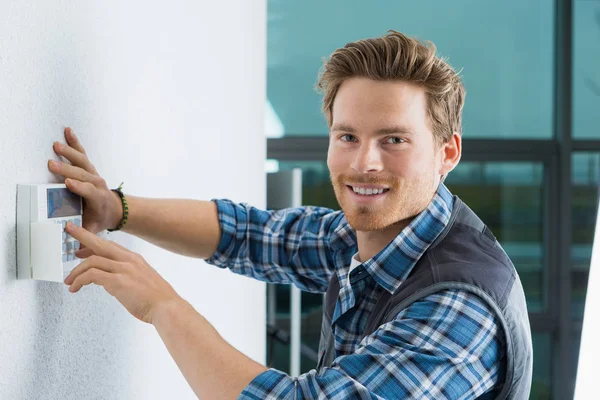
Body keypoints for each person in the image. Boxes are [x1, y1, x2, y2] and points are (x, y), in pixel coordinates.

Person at [48, 30, 533, 399]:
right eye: (348, 137)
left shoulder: (459, 310)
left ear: (447, 153)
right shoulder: (369, 235)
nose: (365, 161)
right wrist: (117, 209)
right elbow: (247, 236)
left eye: (394, 140)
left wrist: (163, 306)